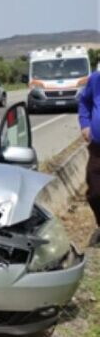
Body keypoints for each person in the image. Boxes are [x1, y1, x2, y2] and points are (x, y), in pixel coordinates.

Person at [77, 72, 100, 247]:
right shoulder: (96, 79)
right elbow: (84, 102)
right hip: (97, 147)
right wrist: (85, 124)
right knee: (95, 192)